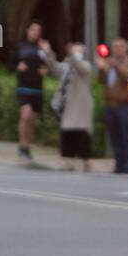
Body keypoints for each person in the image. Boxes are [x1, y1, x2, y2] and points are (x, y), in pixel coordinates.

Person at [13, 20, 53, 162]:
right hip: (24, 87)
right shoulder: (21, 47)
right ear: (27, 31)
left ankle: (26, 147)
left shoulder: (43, 48)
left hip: (38, 89)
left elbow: (51, 65)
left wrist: (46, 69)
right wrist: (18, 67)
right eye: (33, 29)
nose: (35, 32)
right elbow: (11, 64)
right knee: (25, 115)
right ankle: (22, 146)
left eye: (38, 31)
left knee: (32, 121)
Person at [50, 42, 94, 171]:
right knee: (67, 133)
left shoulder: (86, 65)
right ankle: (68, 160)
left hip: (82, 107)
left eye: (78, 51)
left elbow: (81, 67)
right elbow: (54, 67)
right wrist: (48, 53)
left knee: (82, 134)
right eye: (74, 50)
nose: (75, 53)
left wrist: (73, 56)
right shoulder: (66, 68)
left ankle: (85, 161)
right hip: (68, 107)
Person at [99, 37, 128, 174]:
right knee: (114, 136)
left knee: (126, 135)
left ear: (125, 48)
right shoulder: (110, 62)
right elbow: (102, 81)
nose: (117, 50)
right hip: (110, 104)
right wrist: (102, 69)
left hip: (124, 105)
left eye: (120, 47)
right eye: (114, 47)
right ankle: (119, 164)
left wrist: (117, 67)